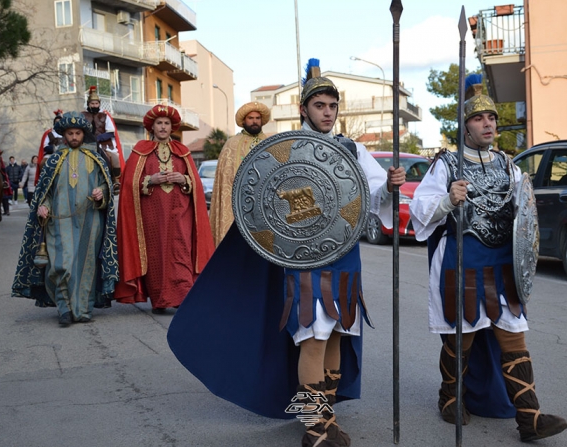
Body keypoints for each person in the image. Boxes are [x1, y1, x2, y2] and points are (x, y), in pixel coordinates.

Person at [167, 59, 405, 447]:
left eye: (332, 106)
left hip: (344, 258)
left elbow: (372, 199)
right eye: (320, 106)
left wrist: (391, 189)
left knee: (337, 337)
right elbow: (264, 205)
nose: (327, 113)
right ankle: (313, 427)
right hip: (304, 260)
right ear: (304, 109)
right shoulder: (287, 149)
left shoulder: (353, 150)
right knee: (313, 336)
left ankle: (326, 415)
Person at [408, 89, 567, 442]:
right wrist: (449, 200)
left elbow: (524, 217)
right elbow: (421, 208)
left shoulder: (507, 165)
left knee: (513, 337)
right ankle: (450, 397)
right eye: (479, 118)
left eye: (492, 118)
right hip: (462, 261)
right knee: (460, 339)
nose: (488, 124)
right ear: (465, 127)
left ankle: (530, 417)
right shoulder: (446, 164)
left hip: (501, 265)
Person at [12, 112, 118, 326]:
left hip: (91, 221)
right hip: (59, 222)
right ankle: (64, 308)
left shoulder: (96, 159)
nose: (74, 137)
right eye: (70, 133)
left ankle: (83, 310)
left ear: (83, 134)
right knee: (61, 264)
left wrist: (101, 192)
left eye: (78, 133)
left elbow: (107, 186)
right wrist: (43, 206)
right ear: (63, 135)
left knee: (86, 267)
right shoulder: (53, 161)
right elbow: (46, 192)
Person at [115, 104, 213, 314]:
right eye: (159, 123)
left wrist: (183, 178)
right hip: (152, 216)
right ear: (152, 126)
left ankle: (182, 298)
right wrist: (151, 179)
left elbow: (195, 184)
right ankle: (160, 300)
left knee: (181, 252)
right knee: (157, 255)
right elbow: (129, 184)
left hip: (180, 214)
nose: (162, 127)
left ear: (172, 127)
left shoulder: (183, 152)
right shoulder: (140, 151)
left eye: (166, 123)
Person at [210, 101, 271, 246]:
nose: (255, 121)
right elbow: (225, 178)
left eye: (257, 118)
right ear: (244, 121)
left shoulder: (270, 142)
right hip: (236, 203)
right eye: (251, 118)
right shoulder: (231, 144)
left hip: (264, 202)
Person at [35, 109, 64, 183]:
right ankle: (44, 181)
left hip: (64, 153)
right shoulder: (49, 133)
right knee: (42, 163)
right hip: (51, 154)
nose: (58, 123)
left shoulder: (66, 133)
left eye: (60, 122)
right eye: (56, 122)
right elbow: (45, 147)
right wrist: (55, 149)